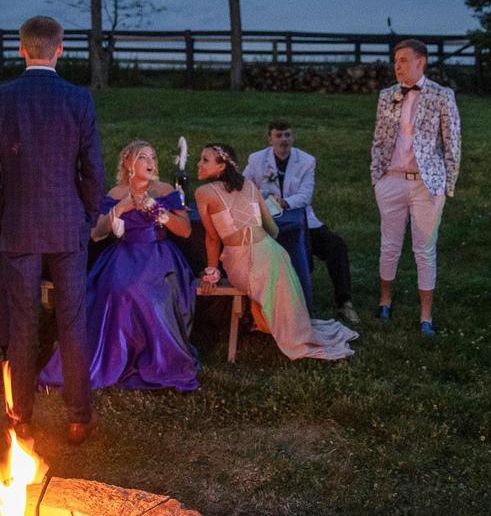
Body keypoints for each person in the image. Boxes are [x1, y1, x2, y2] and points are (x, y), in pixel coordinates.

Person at [0, 16, 105, 445]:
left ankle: (22, 417)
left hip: (20, 224)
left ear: (22, 49)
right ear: (60, 49)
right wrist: (87, 216)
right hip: (68, 224)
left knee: (22, 321)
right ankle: (78, 417)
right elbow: (93, 169)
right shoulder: (78, 99)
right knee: (72, 320)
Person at [40, 141, 199, 392]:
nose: (151, 162)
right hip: (124, 254)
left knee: (147, 294)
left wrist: (158, 210)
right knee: (115, 289)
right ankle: (116, 357)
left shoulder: (164, 189)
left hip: (158, 255)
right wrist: (119, 208)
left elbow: (186, 230)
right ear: (127, 162)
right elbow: (97, 234)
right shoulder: (116, 193)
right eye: (143, 157)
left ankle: (155, 359)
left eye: (153, 157)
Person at [194, 144, 357, 360]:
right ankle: (277, 321)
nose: (199, 164)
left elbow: (212, 238)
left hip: (242, 262)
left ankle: (268, 322)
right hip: (273, 253)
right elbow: (273, 229)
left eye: (205, 160)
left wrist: (212, 271)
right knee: (269, 274)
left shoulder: (203, 193)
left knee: (258, 275)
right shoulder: (249, 185)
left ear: (221, 166)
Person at [370, 39, 461, 336]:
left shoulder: (441, 95)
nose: (397, 66)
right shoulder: (388, 95)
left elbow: (452, 143)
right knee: (389, 244)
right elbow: (379, 139)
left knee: (424, 249)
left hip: (426, 184)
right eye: (395, 60)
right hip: (391, 180)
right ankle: (385, 301)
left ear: (420, 62)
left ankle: (426, 315)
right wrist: (378, 177)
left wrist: (445, 185)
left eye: (403, 60)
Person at [243, 120, 358, 324]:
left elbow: (305, 196)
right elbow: (245, 187)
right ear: (269, 139)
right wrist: (263, 200)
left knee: (336, 246)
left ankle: (344, 302)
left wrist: (284, 202)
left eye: (287, 135)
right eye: (279, 136)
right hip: (265, 222)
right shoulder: (256, 159)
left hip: (302, 220)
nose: (284, 140)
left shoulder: (306, 161)